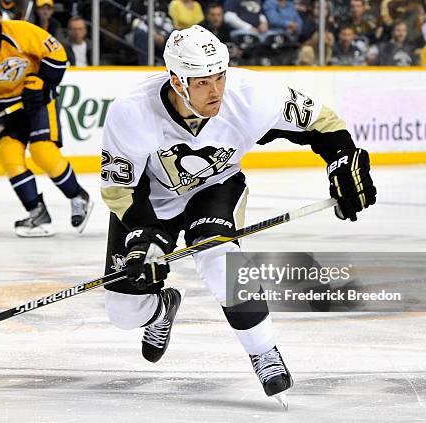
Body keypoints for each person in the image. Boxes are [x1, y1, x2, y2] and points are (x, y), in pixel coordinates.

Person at [100, 25, 376, 399]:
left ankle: (264, 352)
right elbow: (120, 189)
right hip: (150, 202)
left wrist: (343, 161)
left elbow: (322, 123)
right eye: (202, 82)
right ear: (176, 80)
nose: (215, 91)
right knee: (123, 313)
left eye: (219, 76)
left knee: (219, 258)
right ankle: (161, 309)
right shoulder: (132, 111)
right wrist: (143, 239)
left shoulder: (252, 94)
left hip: (216, 189)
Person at [0, 0, 93, 237]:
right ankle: (37, 212)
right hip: (5, 108)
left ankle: (78, 196)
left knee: (42, 151)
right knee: (9, 156)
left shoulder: (21, 31)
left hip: (37, 101)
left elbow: (58, 55)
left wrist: (41, 83)